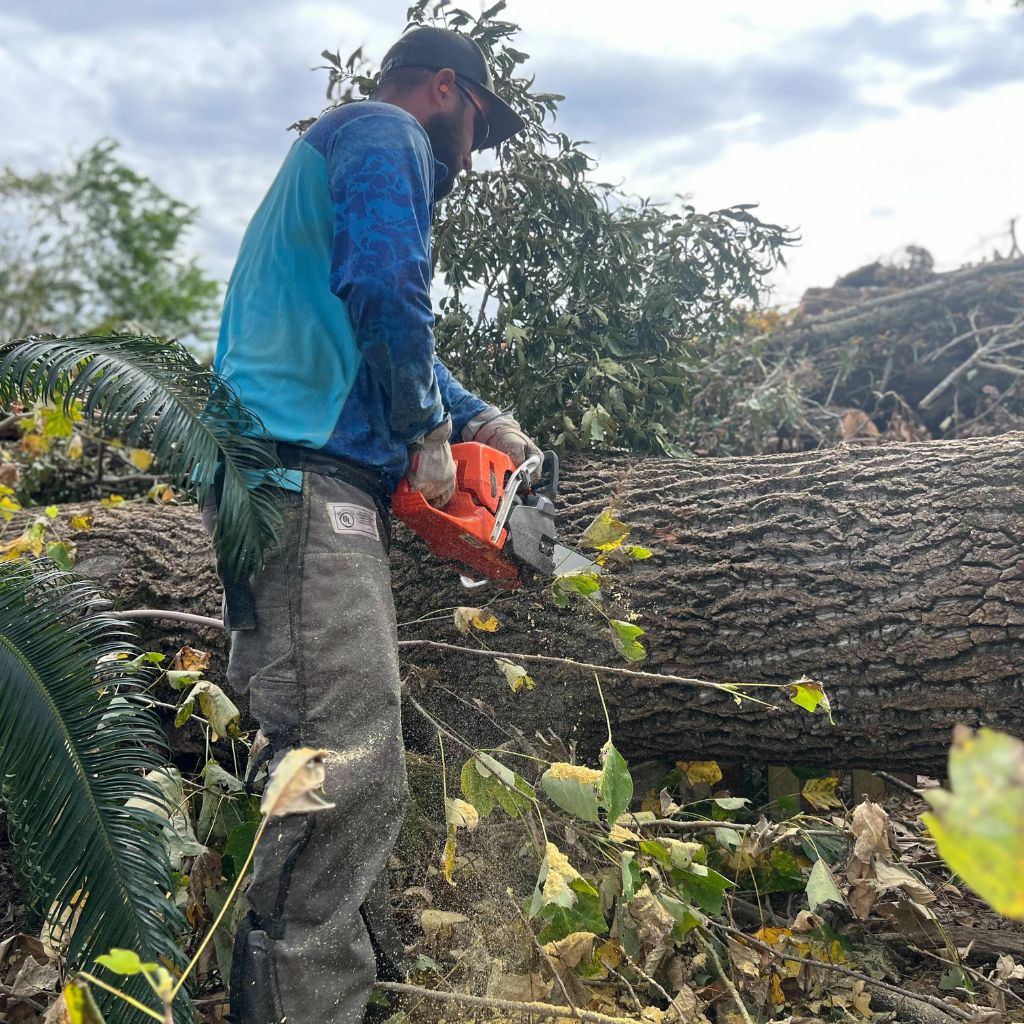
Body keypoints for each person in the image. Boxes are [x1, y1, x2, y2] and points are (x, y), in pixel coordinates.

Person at [207, 24, 540, 1024]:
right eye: (477, 125)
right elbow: (387, 288)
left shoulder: (342, 149)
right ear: (445, 89)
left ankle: (318, 982)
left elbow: (370, 311)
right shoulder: (383, 133)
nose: (472, 157)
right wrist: (428, 431)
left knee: (310, 750)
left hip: (285, 468)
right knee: (344, 763)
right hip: (305, 472)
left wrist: (477, 418)